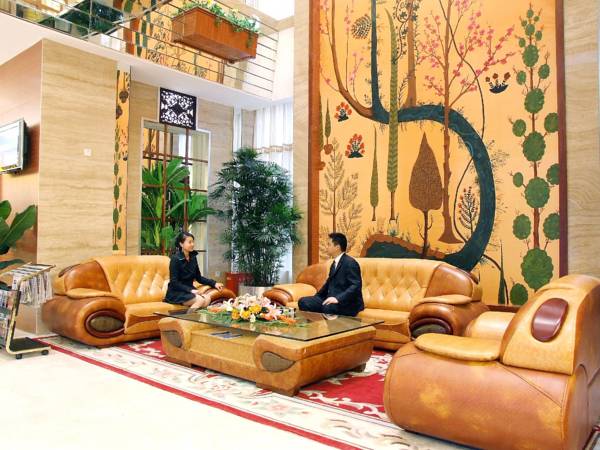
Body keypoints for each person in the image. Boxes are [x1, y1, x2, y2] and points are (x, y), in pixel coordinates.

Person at [298, 233, 364, 316]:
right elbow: (329, 283)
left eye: (329, 244)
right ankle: (315, 324)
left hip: (347, 303)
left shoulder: (350, 263)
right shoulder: (334, 263)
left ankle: (332, 324)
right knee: (304, 302)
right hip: (331, 299)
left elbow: (355, 286)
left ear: (337, 247)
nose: (326, 247)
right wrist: (317, 297)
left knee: (328, 307)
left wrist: (337, 299)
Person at [165, 231, 224, 309]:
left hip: (188, 291)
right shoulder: (175, 259)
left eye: (193, 242)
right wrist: (191, 290)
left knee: (207, 298)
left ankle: (195, 316)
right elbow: (174, 282)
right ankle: (188, 317)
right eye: (189, 242)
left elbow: (199, 277)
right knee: (200, 300)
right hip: (176, 292)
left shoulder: (193, 258)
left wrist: (214, 283)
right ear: (181, 244)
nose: (192, 244)